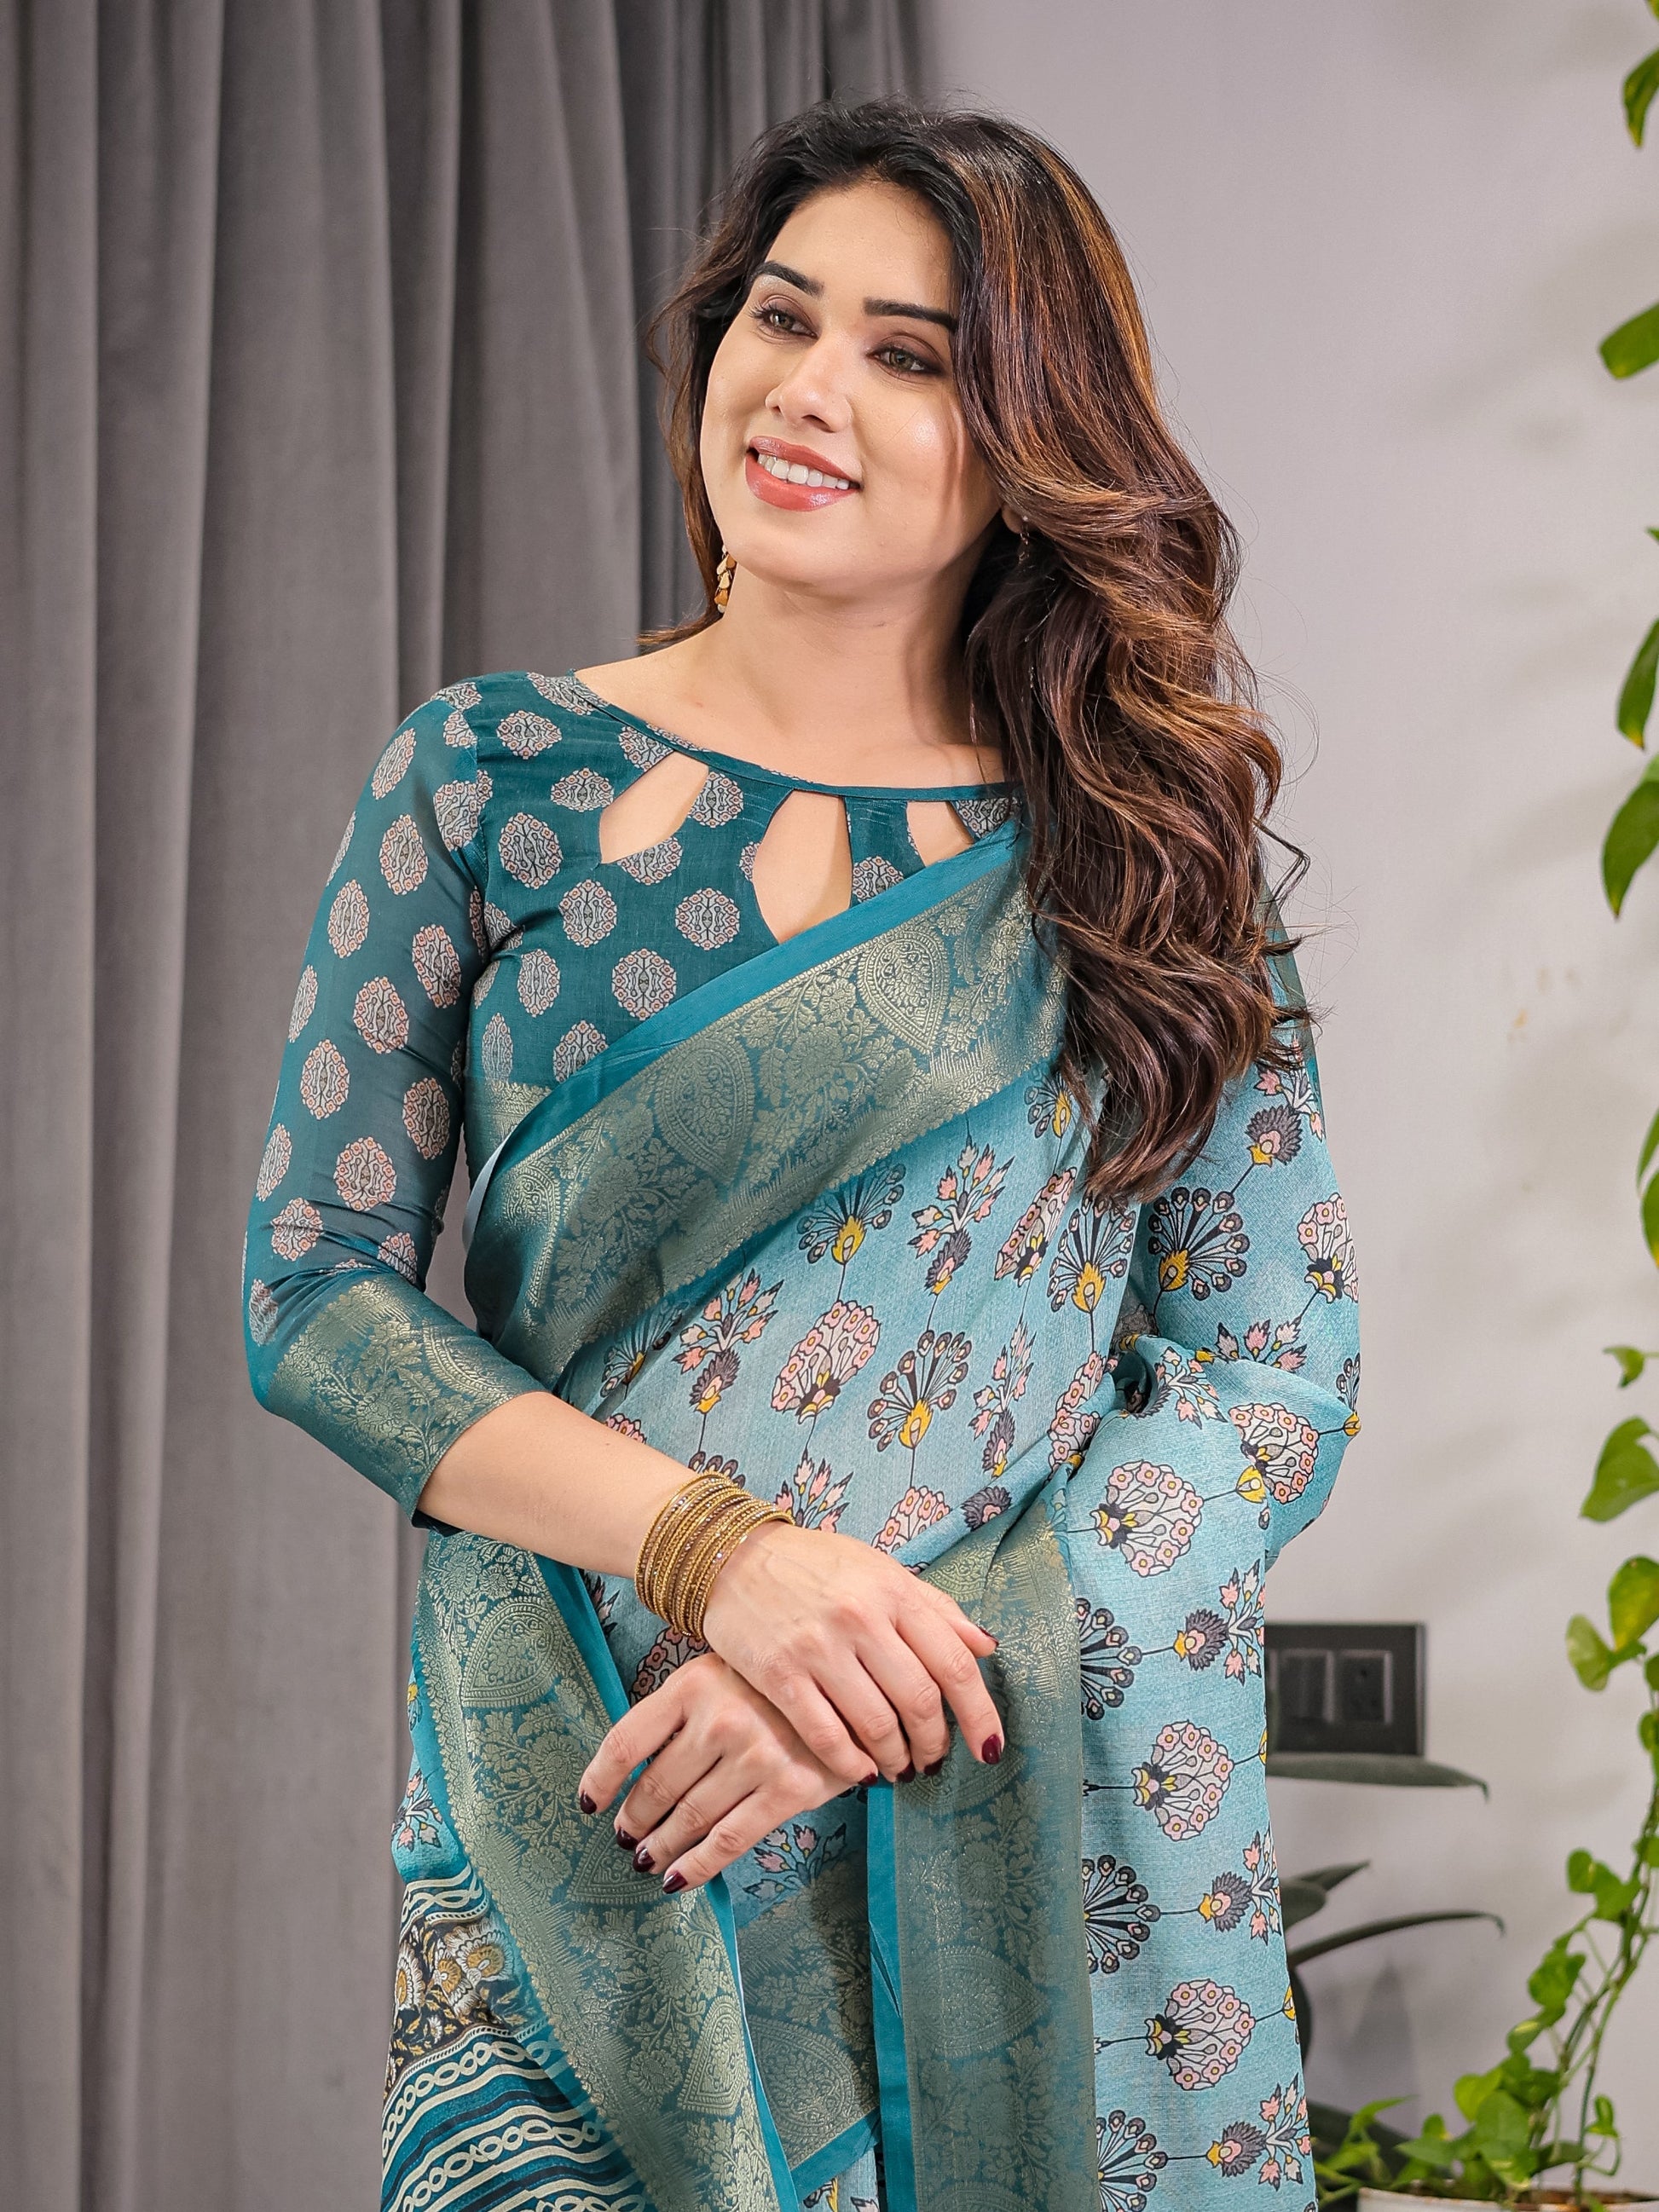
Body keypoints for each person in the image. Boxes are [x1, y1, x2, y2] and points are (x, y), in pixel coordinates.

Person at [244, 95, 1360, 2212]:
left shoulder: (1144, 855)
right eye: (782, 316)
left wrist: (865, 1678)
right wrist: (718, 1554)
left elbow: (1271, 1367)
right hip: (597, 1772)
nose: (807, 388)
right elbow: (313, 1294)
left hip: (977, 1777)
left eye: (907, 353)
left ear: (1022, 435)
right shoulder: (488, 774)